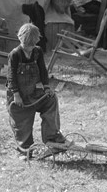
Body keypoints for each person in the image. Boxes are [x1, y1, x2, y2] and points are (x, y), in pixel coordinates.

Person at [6, 23, 69, 156]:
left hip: (33, 93)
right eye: (27, 45)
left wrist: (46, 87)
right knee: (22, 123)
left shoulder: (37, 51)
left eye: (32, 45)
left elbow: (43, 71)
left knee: (51, 100)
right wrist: (16, 94)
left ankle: (52, 137)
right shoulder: (15, 54)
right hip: (18, 96)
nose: (30, 49)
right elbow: (11, 76)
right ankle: (26, 149)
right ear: (20, 40)